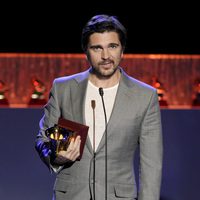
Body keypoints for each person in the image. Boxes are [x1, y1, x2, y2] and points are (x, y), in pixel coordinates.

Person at [35, 14, 163, 200]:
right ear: (86, 51)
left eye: (112, 46)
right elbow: (42, 139)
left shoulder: (145, 96)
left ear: (122, 49)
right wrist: (56, 156)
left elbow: (151, 163)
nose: (106, 56)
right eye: (97, 48)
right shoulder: (63, 88)